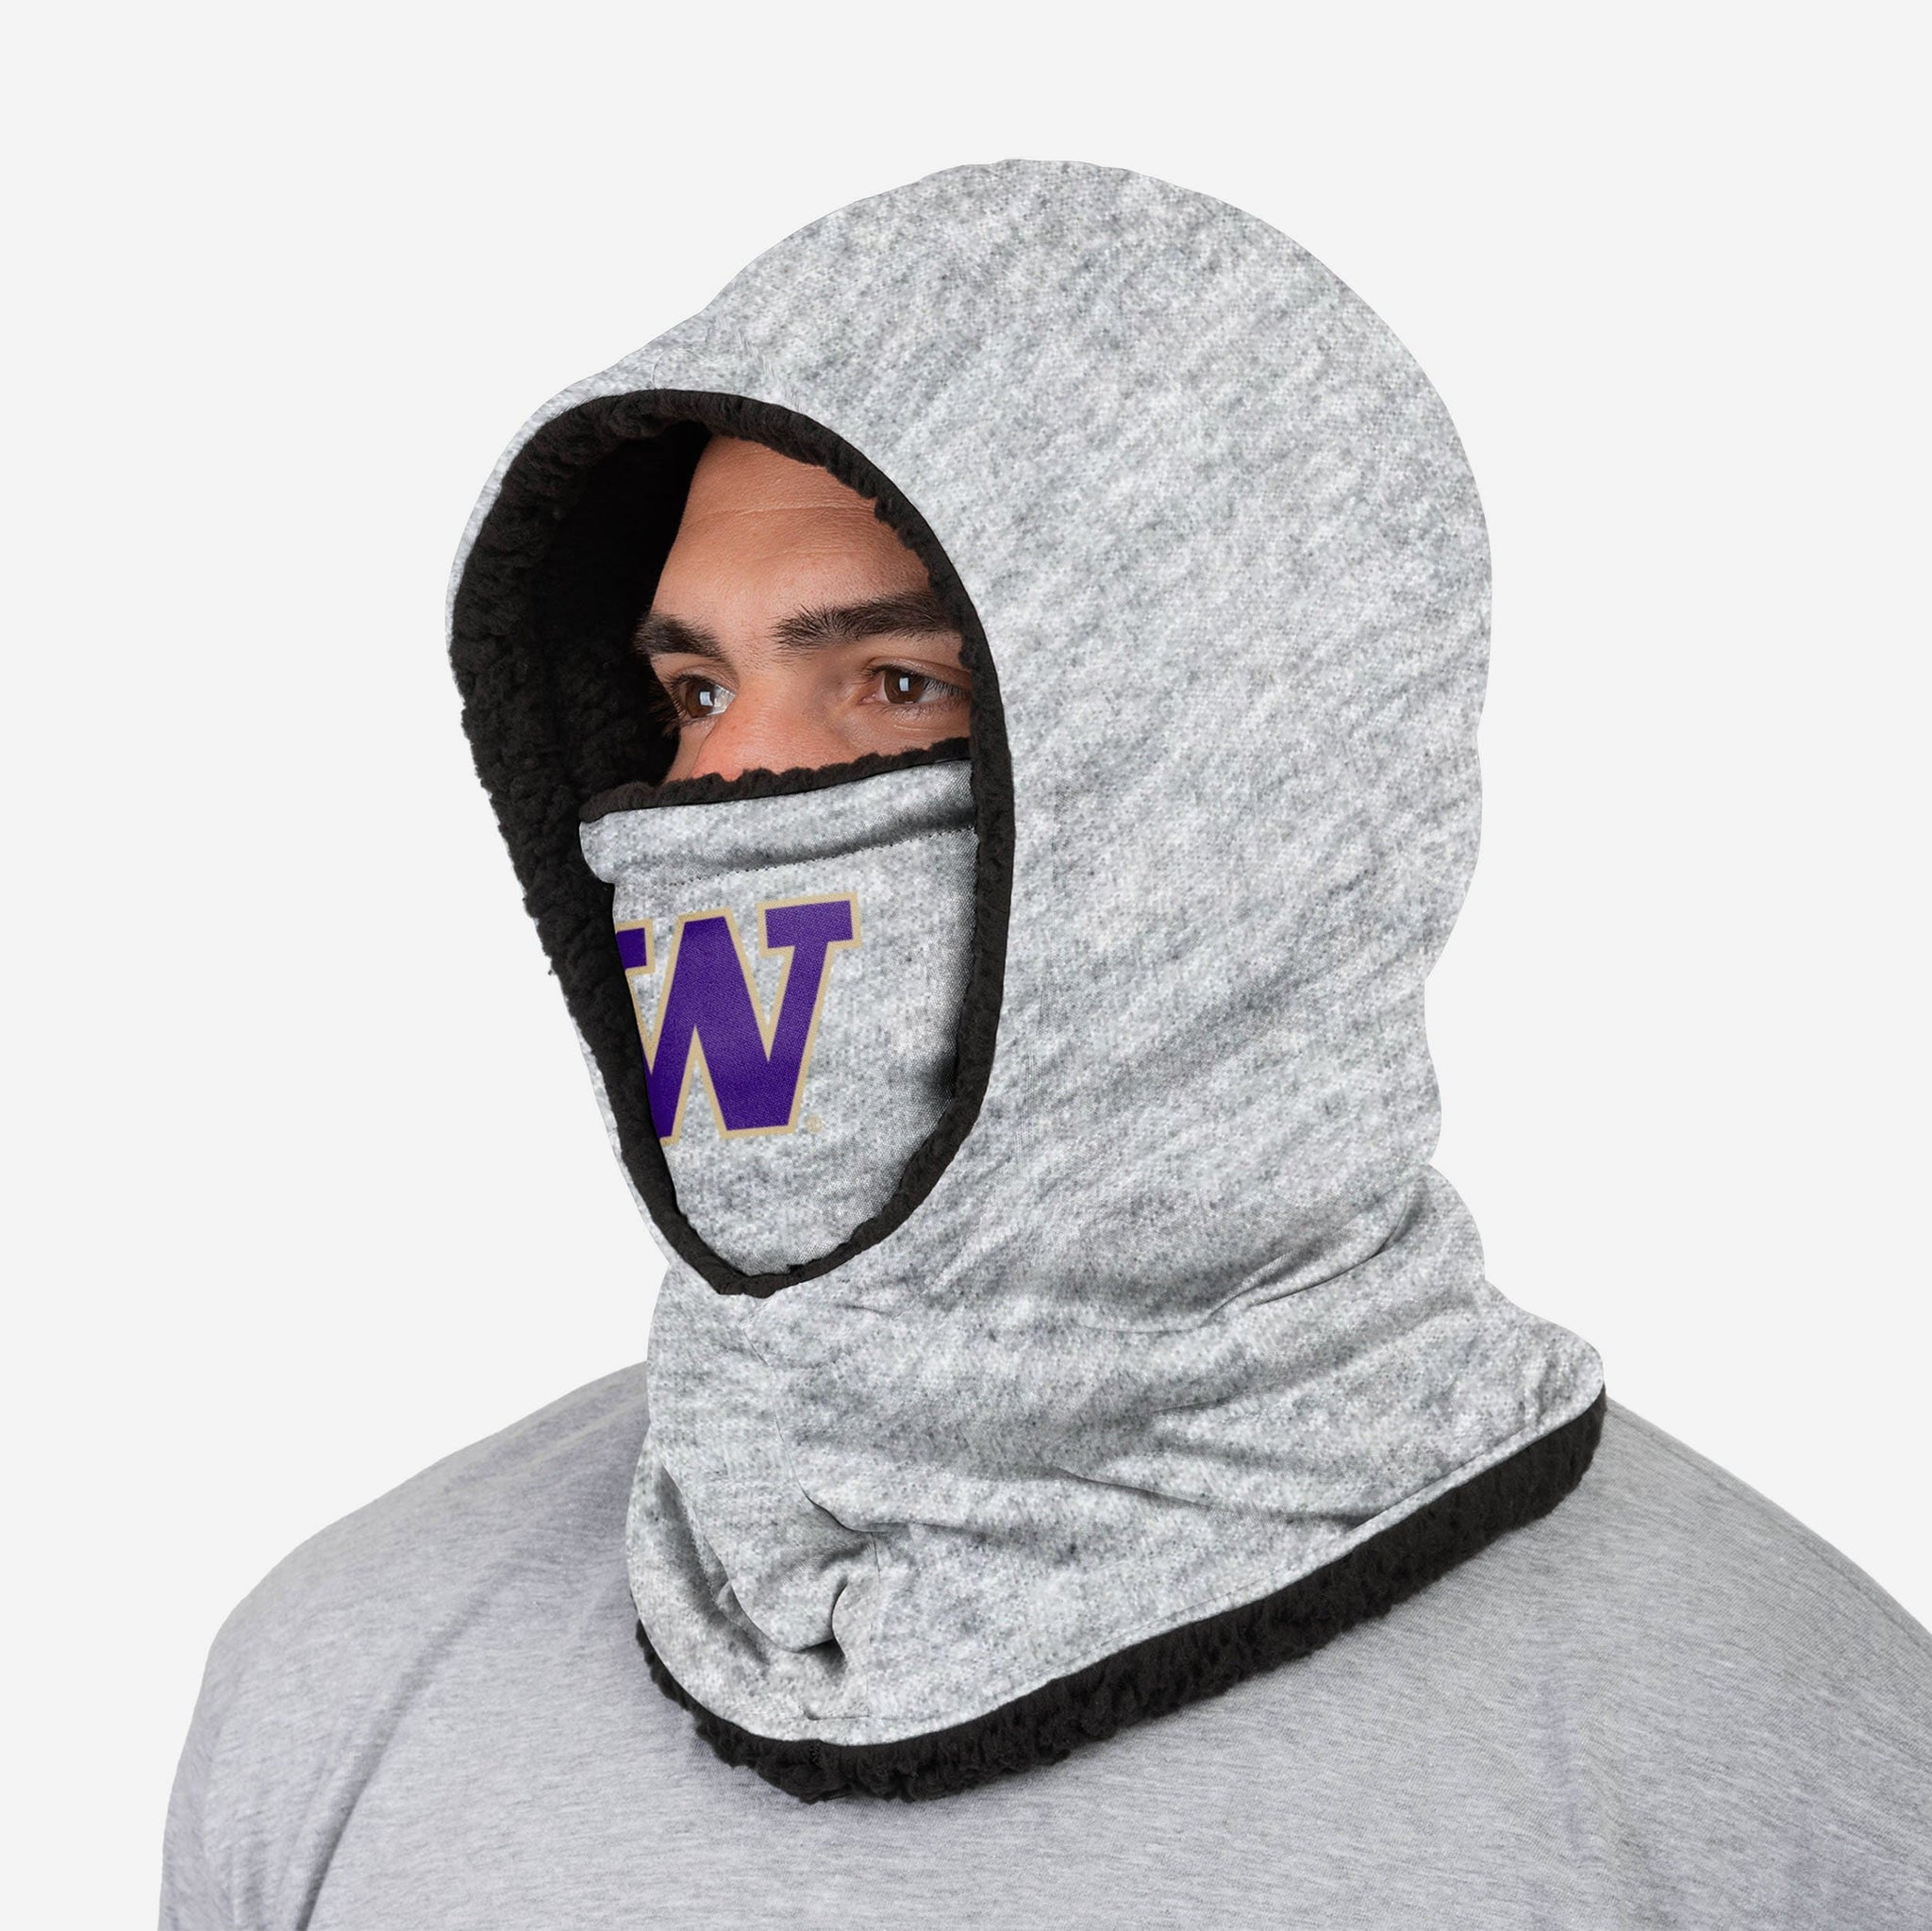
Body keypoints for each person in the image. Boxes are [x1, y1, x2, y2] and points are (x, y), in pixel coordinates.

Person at [161, 160, 1932, 1928]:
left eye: (897, 684)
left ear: (1223, 781)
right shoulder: (347, 1676)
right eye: (694, 694)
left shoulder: (1782, 1769)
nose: (726, 800)